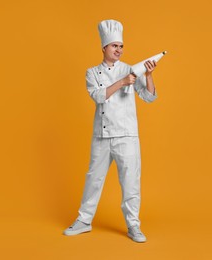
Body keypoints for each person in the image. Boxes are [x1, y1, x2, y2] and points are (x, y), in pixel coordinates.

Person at [63, 19, 158, 243]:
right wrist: (122, 82)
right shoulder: (92, 73)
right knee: (93, 179)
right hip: (102, 136)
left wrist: (149, 75)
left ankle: (134, 226)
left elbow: (149, 97)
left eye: (121, 46)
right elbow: (98, 96)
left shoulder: (131, 69)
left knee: (130, 182)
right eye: (114, 46)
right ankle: (84, 221)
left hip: (127, 135)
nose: (119, 50)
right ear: (104, 48)